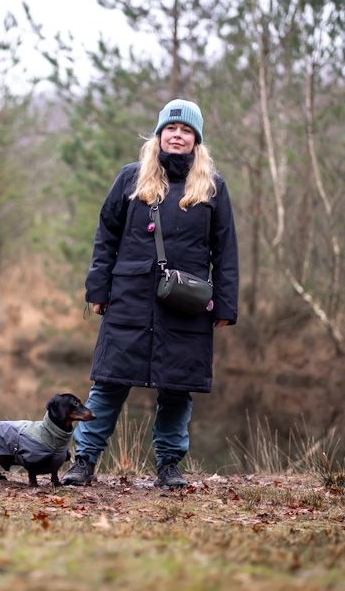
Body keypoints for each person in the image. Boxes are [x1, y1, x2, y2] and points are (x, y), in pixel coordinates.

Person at [62, 98, 238, 488]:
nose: (177, 135)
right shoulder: (130, 178)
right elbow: (105, 237)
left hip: (186, 305)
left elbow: (225, 250)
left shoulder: (212, 187)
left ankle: (169, 466)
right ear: (160, 135)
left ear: (196, 140)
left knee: (176, 390)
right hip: (129, 299)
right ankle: (83, 461)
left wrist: (225, 304)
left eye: (186, 130)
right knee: (108, 383)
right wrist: (98, 288)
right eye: (171, 129)